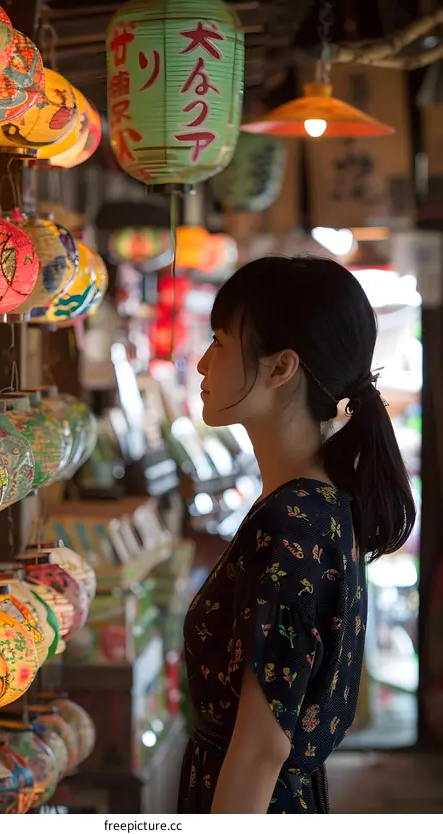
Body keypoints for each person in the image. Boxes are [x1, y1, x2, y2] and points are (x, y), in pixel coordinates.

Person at [178, 257, 415, 814]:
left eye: (220, 341)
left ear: (282, 366)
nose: (201, 363)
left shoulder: (293, 522)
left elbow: (261, 751)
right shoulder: (319, 505)